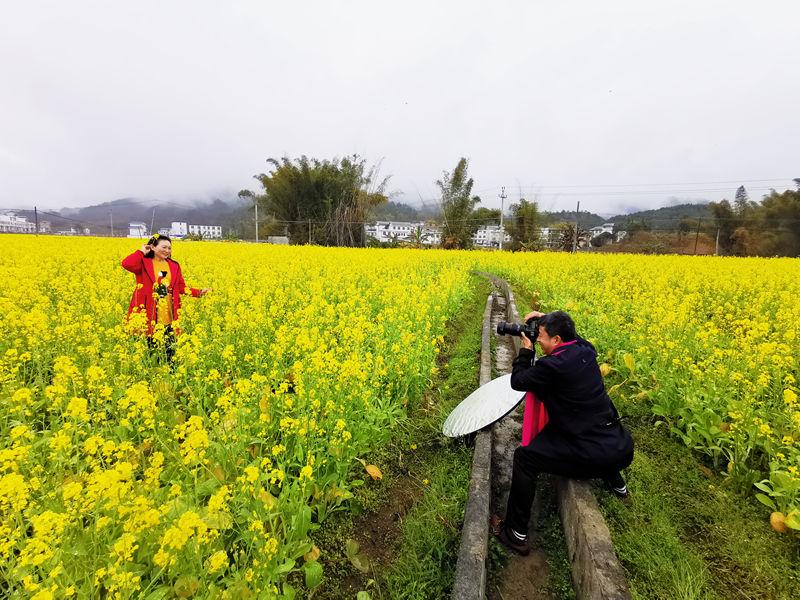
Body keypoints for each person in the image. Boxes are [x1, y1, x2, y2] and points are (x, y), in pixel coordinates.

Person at [491, 310, 634, 555]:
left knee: (525, 459)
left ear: (557, 340)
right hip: (620, 446)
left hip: (590, 454)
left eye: (542, 336)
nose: (538, 340)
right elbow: (572, 334)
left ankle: (515, 533)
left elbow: (519, 381)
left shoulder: (553, 366)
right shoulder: (585, 350)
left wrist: (526, 350)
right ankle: (617, 485)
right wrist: (547, 318)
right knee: (591, 422)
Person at [121, 234, 210, 363]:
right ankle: (154, 378)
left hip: (169, 313)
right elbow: (126, 264)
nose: (167, 251)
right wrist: (141, 252)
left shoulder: (174, 265)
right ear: (152, 247)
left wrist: (199, 292)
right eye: (164, 247)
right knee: (151, 352)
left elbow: (180, 287)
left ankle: (170, 376)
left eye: (169, 248)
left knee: (170, 351)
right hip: (148, 313)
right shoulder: (143, 263)